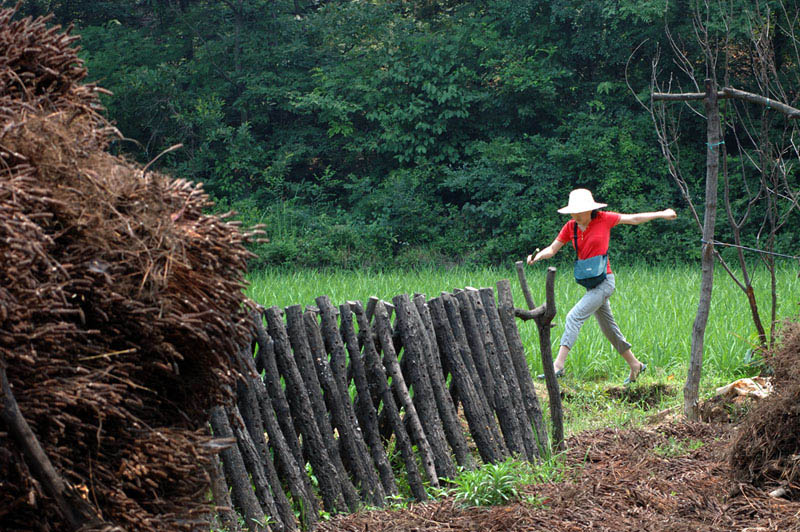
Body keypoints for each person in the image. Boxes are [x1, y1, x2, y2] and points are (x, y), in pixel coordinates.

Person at [527, 188, 677, 384]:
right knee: (609, 329)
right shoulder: (570, 227)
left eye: (580, 211)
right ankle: (636, 365)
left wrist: (661, 214)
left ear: (590, 209)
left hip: (605, 281)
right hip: (591, 285)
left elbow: (633, 219)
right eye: (573, 211)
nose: (576, 215)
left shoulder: (604, 219)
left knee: (574, 316)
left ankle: (558, 366)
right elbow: (553, 249)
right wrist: (538, 256)